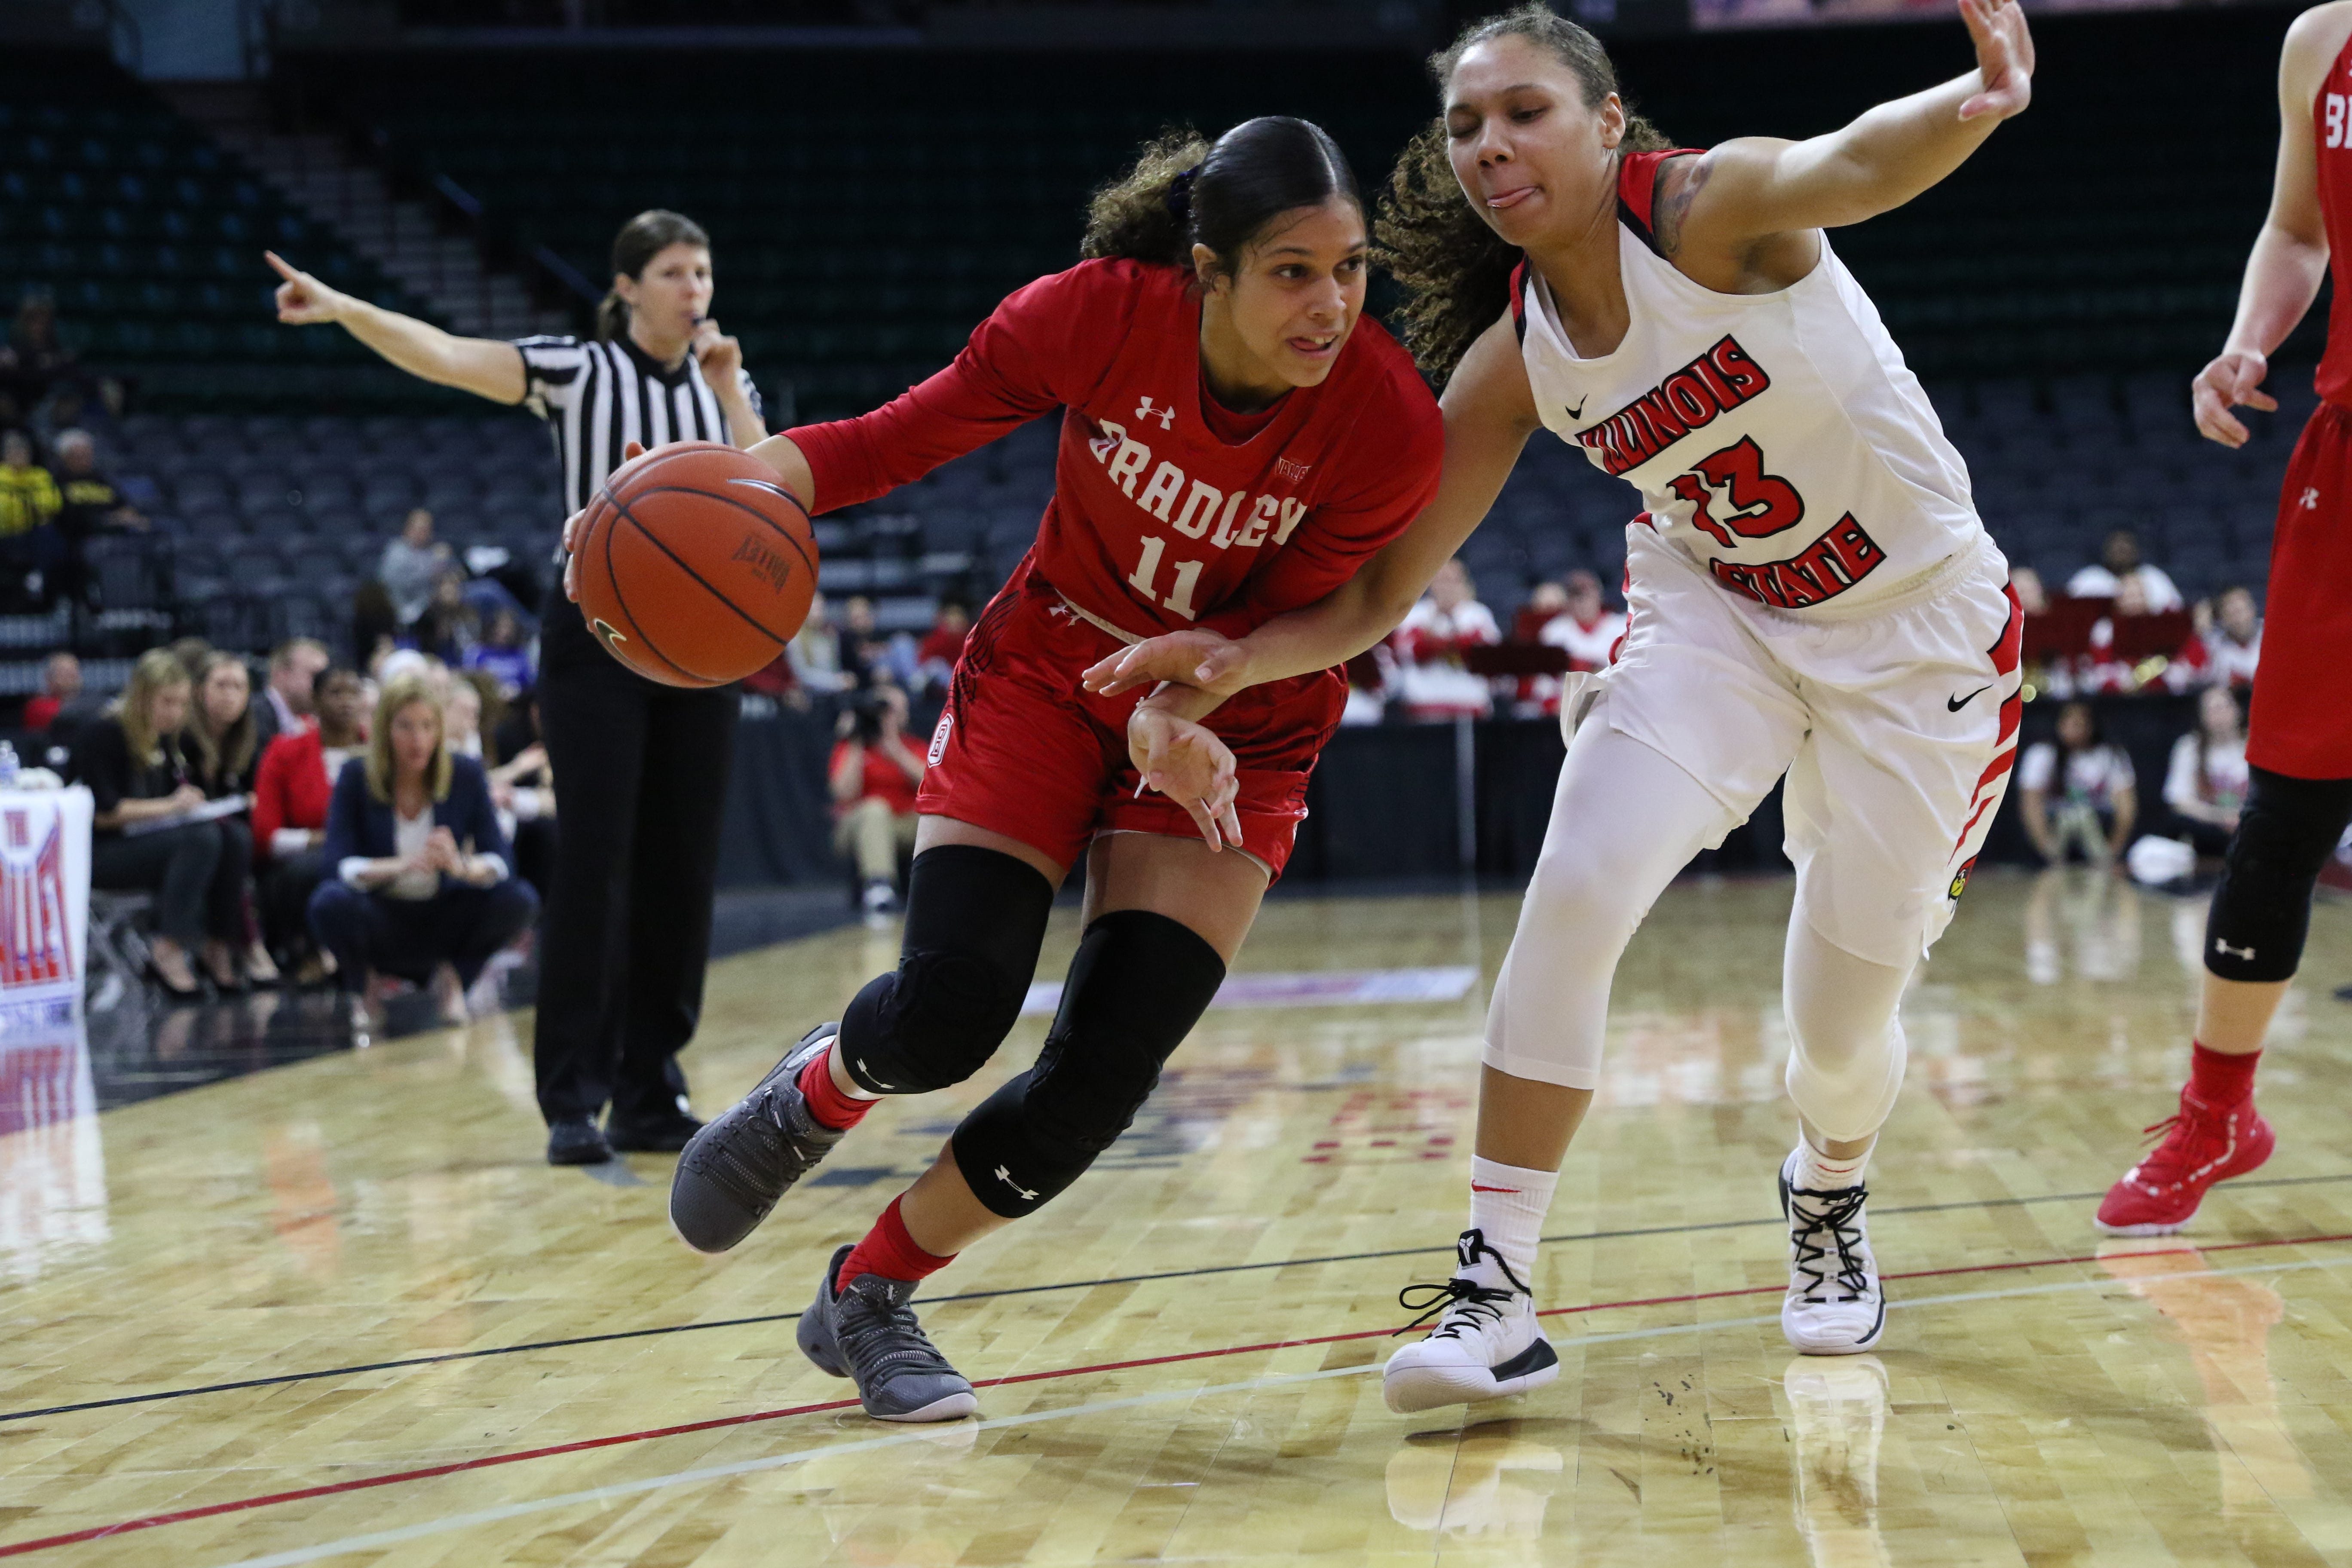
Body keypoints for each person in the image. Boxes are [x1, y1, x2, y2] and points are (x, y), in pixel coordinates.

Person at [1085, 0, 2035, 1407]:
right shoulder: (1517, 355)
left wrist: (1978, 97)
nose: (1488, 143)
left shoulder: (1707, 214)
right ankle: (1496, 1286)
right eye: (1465, 124)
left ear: (1605, 125)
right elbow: (1375, 589)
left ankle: (1826, 1183)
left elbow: (1849, 162)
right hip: (1719, 613)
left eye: (1523, 111)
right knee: (1576, 881)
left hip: (1919, 634)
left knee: (1841, 1028)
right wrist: (1230, 655)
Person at [626, 115, 1442, 1423]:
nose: (1334, 303)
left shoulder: (1387, 424)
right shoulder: (1096, 316)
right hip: (1052, 667)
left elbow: (1309, 618)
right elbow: (898, 436)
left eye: (1352, 271)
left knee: (1104, 1074)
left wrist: (1185, 704)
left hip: (1248, 706)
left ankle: (869, 1294)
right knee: (952, 1008)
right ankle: (818, 1086)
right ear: (1208, 269)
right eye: (1294, 270)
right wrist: (718, 484)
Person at [270, 208, 764, 1165]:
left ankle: (652, 1086)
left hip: (705, 645)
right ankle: (571, 1096)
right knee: (595, 862)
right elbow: (451, 356)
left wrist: (731, 395)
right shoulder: (581, 371)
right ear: (626, 287)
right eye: (672, 272)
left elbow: (774, 494)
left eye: (702, 271)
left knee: (682, 869)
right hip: (599, 631)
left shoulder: (724, 382)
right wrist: (344, 308)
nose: (694, 289)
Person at [2094, 1, 2352, 1236]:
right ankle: (2217, 1118)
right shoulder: (2321, 41)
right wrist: (2249, 343)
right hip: (2343, 465)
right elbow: (2299, 229)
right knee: (2287, 813)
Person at [308, 674, 539, 1033]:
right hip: (382, 912)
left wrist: (459, 865)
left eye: (428, 726)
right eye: (406, 727)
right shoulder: (357, 774)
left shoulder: (464, 772)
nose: (418, 740)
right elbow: (336, 865)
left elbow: (500, 861)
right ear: (385, 729)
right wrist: (401, 866)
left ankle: (455, 978)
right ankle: (363, 986)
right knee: (328, 902)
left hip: (444, 912)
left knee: (519, 898)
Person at [70, 648, 251, 998]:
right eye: (167, 702)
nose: (176, 713)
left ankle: (216, 944)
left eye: (183, 704)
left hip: (149, 843)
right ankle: (168, 946)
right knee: (201, 840)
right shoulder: (103, 732)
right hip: (101, 852)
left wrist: (188, 803)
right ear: (141, 696)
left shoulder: (167, 739)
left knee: (235, 837)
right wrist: (170, 806)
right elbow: (104, 813)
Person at [253, 664, 368, 981]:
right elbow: (266, 836)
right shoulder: (285, 752)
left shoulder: (381, 752)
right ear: (315, 701)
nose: (346, 702)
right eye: (335, 693)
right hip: (300, 864)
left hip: (373, 854)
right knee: (313, 868)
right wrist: (319, 839)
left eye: (354, 693)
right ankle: (312, 953)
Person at [184, 651, 278, 986]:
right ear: (200, 690)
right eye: (221, 685)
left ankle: (277, 944)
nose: (231, 695)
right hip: (191, 834)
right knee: (233, 840)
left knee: (248, 839)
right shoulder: (183, 738)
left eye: (239, 687)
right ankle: (238, 944)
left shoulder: (251, 739)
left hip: (232, 832)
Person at [830, 686, 928, 923]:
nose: (888, 716)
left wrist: (895, 749)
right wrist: (855, 740)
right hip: (860, 825)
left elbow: (933, 787)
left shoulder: (915, 747)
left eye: (893, 710)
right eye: (882, 709)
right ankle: (879, 886)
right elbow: (843, 794)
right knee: (876, 809)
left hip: (906, 824)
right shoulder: (851, 748)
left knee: (941, 821)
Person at [2018, 701, 2137, 867]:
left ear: (2092, 726)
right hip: (2056, 827)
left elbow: (2127, 807)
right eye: (2070, 722)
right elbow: (2031, 805)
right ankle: (2057, 855)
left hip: (2099, 826)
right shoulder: (2042, 754)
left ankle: (2101, 858)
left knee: (2084, 816)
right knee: (2070, 818)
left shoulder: (2111, 755)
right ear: (2058, 724)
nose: (2075, 728)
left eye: (2081, 723)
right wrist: (2046, 849)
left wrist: (2115, 849)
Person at [1390, 557, 1501, 720]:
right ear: (1431, 583)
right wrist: (1437, 622)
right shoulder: (1415, 615)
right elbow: (1410, 653)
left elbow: (1489, 658)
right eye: (1442, 581)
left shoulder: (1478, 614)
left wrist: (1452, 626)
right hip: (1424, 706)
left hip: (1470, 705)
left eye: (1453, 581)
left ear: (1463, 583)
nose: (1447, 588)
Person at [2164, 685, 2251, 858]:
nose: (2219, 716)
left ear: (2238, 710)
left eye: (2224, 707)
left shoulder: (2254, 745)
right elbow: (2179, 801)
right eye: (2212, 710)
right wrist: (2221, 817)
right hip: (2209, 830)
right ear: (2202, 717)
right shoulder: (2189, 747)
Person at [0, 429, 61, 609]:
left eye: (22, 451)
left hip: (31, 535)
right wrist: (27, 502)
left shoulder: (40, 475)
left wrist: (21, 503)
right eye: (14, 451)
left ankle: (38, 578)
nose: (19, 455)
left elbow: (52, 505)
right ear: (5, 454)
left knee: (49, 533)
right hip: (4, 535)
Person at [2168, 583, 2263, 691]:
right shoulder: (2212, 644)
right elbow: (2176, 678)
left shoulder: (2269, 634)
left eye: (2241, 611)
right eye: (2232, 614)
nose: (2239, 620)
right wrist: (2198, 635)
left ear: (2253, 609)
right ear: (2222, 618)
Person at [2066, 527, 2184, 612]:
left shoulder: (2154, 577)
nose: (2122, 549)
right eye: (2117, 545)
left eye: (2126, 544)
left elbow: (2176, 613)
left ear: (2136, 550)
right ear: (2106, 549)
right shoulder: (2089, 578)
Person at [379, 508, 451, 628]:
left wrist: (444, 563)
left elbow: (453, 576)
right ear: (408, 529)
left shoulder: (432, 552)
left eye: (427, 530)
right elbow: (394, 583)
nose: (424, 533)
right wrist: (435, 568)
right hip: (401, 606)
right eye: (420, 529)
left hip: (429, 608)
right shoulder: (397, 552)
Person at [465, 607, 535, 698]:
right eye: (500, 627)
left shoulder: (521, 656)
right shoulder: (477, 652)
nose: (504, 632)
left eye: (509, 628)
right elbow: (469, 679)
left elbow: (529, 681)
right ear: (492, 627)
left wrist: (518, 689)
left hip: (515, 702)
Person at [914, 600, 971, 699]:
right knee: (937, 665)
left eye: (958, 616)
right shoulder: (938, 636)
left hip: (958, 677)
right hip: (936, 676)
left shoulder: (970, 638)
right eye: (951, 616)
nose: (954, 620)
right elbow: (923, 658)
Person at [23, 650, 79, 733]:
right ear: (49, 677)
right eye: (64, 672)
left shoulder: (86, 701)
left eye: (74, 670)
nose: (72, 676)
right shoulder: (38, 707)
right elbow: (65, 719)